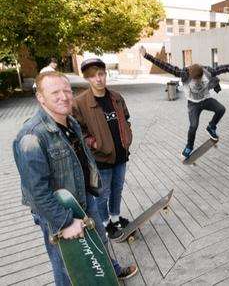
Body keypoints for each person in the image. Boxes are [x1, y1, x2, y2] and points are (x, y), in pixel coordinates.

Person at [13, 71, 137, 285]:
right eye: (55, 93)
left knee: (98, 241)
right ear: (41, 98)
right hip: (57, 211)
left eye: (67, 91)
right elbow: (36, 190)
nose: (64, 96)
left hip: (83, 199)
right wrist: (65, 222)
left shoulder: (70, 122)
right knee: (68, 266)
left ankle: (108, 275)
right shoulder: (32, 136)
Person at [139, 47, 229, 158]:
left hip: (206, 99)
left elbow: (226, 67)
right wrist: (146, 55)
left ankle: (211, 127)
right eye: (195, 80)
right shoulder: (183, 73)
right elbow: (165, 65)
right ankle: (189, 146)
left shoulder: (208, 72)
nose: (198, 82)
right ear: (190, 76)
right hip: (193, 104)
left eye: (199, 79)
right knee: (193, 126)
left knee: (221, 109)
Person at [72, 58, 132, 240]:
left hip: (120, 155)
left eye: (100, 74)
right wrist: (94, 143)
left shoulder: (116, 97)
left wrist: (127, 136)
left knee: (117, 189)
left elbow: (127, 118)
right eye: (92, 76)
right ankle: (105, 224)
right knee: (102, 194)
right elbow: (78, 131)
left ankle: (115, 217)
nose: (98, 79)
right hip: (101, 158)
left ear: (105, 74)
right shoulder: (79, 103)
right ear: (87, 79)